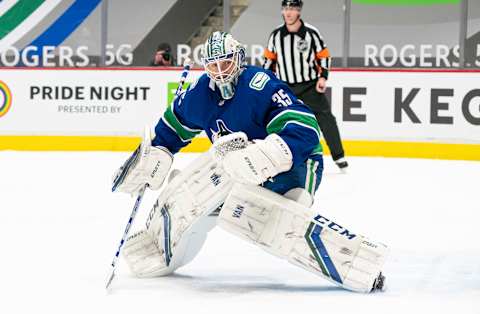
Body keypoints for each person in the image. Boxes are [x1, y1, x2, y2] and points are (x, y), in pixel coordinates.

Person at [111, 32, 387, 293]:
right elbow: (172, 128)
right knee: (213, 187)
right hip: (235, 166)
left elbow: (305, 128)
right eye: (213, 65)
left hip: (294, 161)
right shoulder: (199, 94)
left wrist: (265, 155)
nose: (220, 71)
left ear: (239, 59)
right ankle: (171, 226)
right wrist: (154, 156)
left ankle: (348, 258)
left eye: (226, 62)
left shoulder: (260, 84)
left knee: (288, 206)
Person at [263, 0, 348, 171]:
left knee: (326, 119)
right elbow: (268, 61)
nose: (288, 12)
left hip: (309, 86)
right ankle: (271, 157)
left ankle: (339, 156)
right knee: (275, 120)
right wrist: (269, 84)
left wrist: (323, 77)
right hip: (286, 88)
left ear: (299, 11)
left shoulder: (311, 33)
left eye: (292, 9)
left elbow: (324, 56)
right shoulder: (276, 35)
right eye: (285, 8)